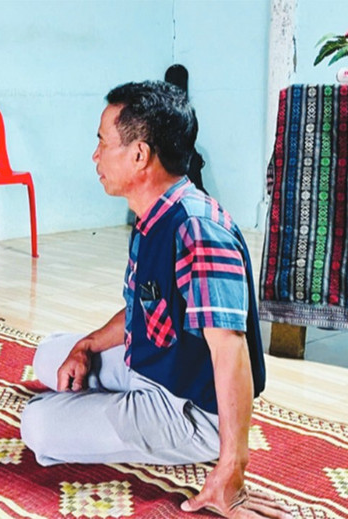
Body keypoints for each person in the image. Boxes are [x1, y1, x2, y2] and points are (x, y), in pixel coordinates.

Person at [20, 81, 290, 519]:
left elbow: (230, 349)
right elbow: (143, 308)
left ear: (139, 155)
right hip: (154, 367)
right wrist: (86, 346)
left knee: (37, 425)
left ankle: (196, 446)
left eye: (103, 143)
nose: (95, 156)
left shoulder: (198, 230)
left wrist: (232, 467)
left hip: (189, 409)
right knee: (49, 354)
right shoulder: (153, 215)